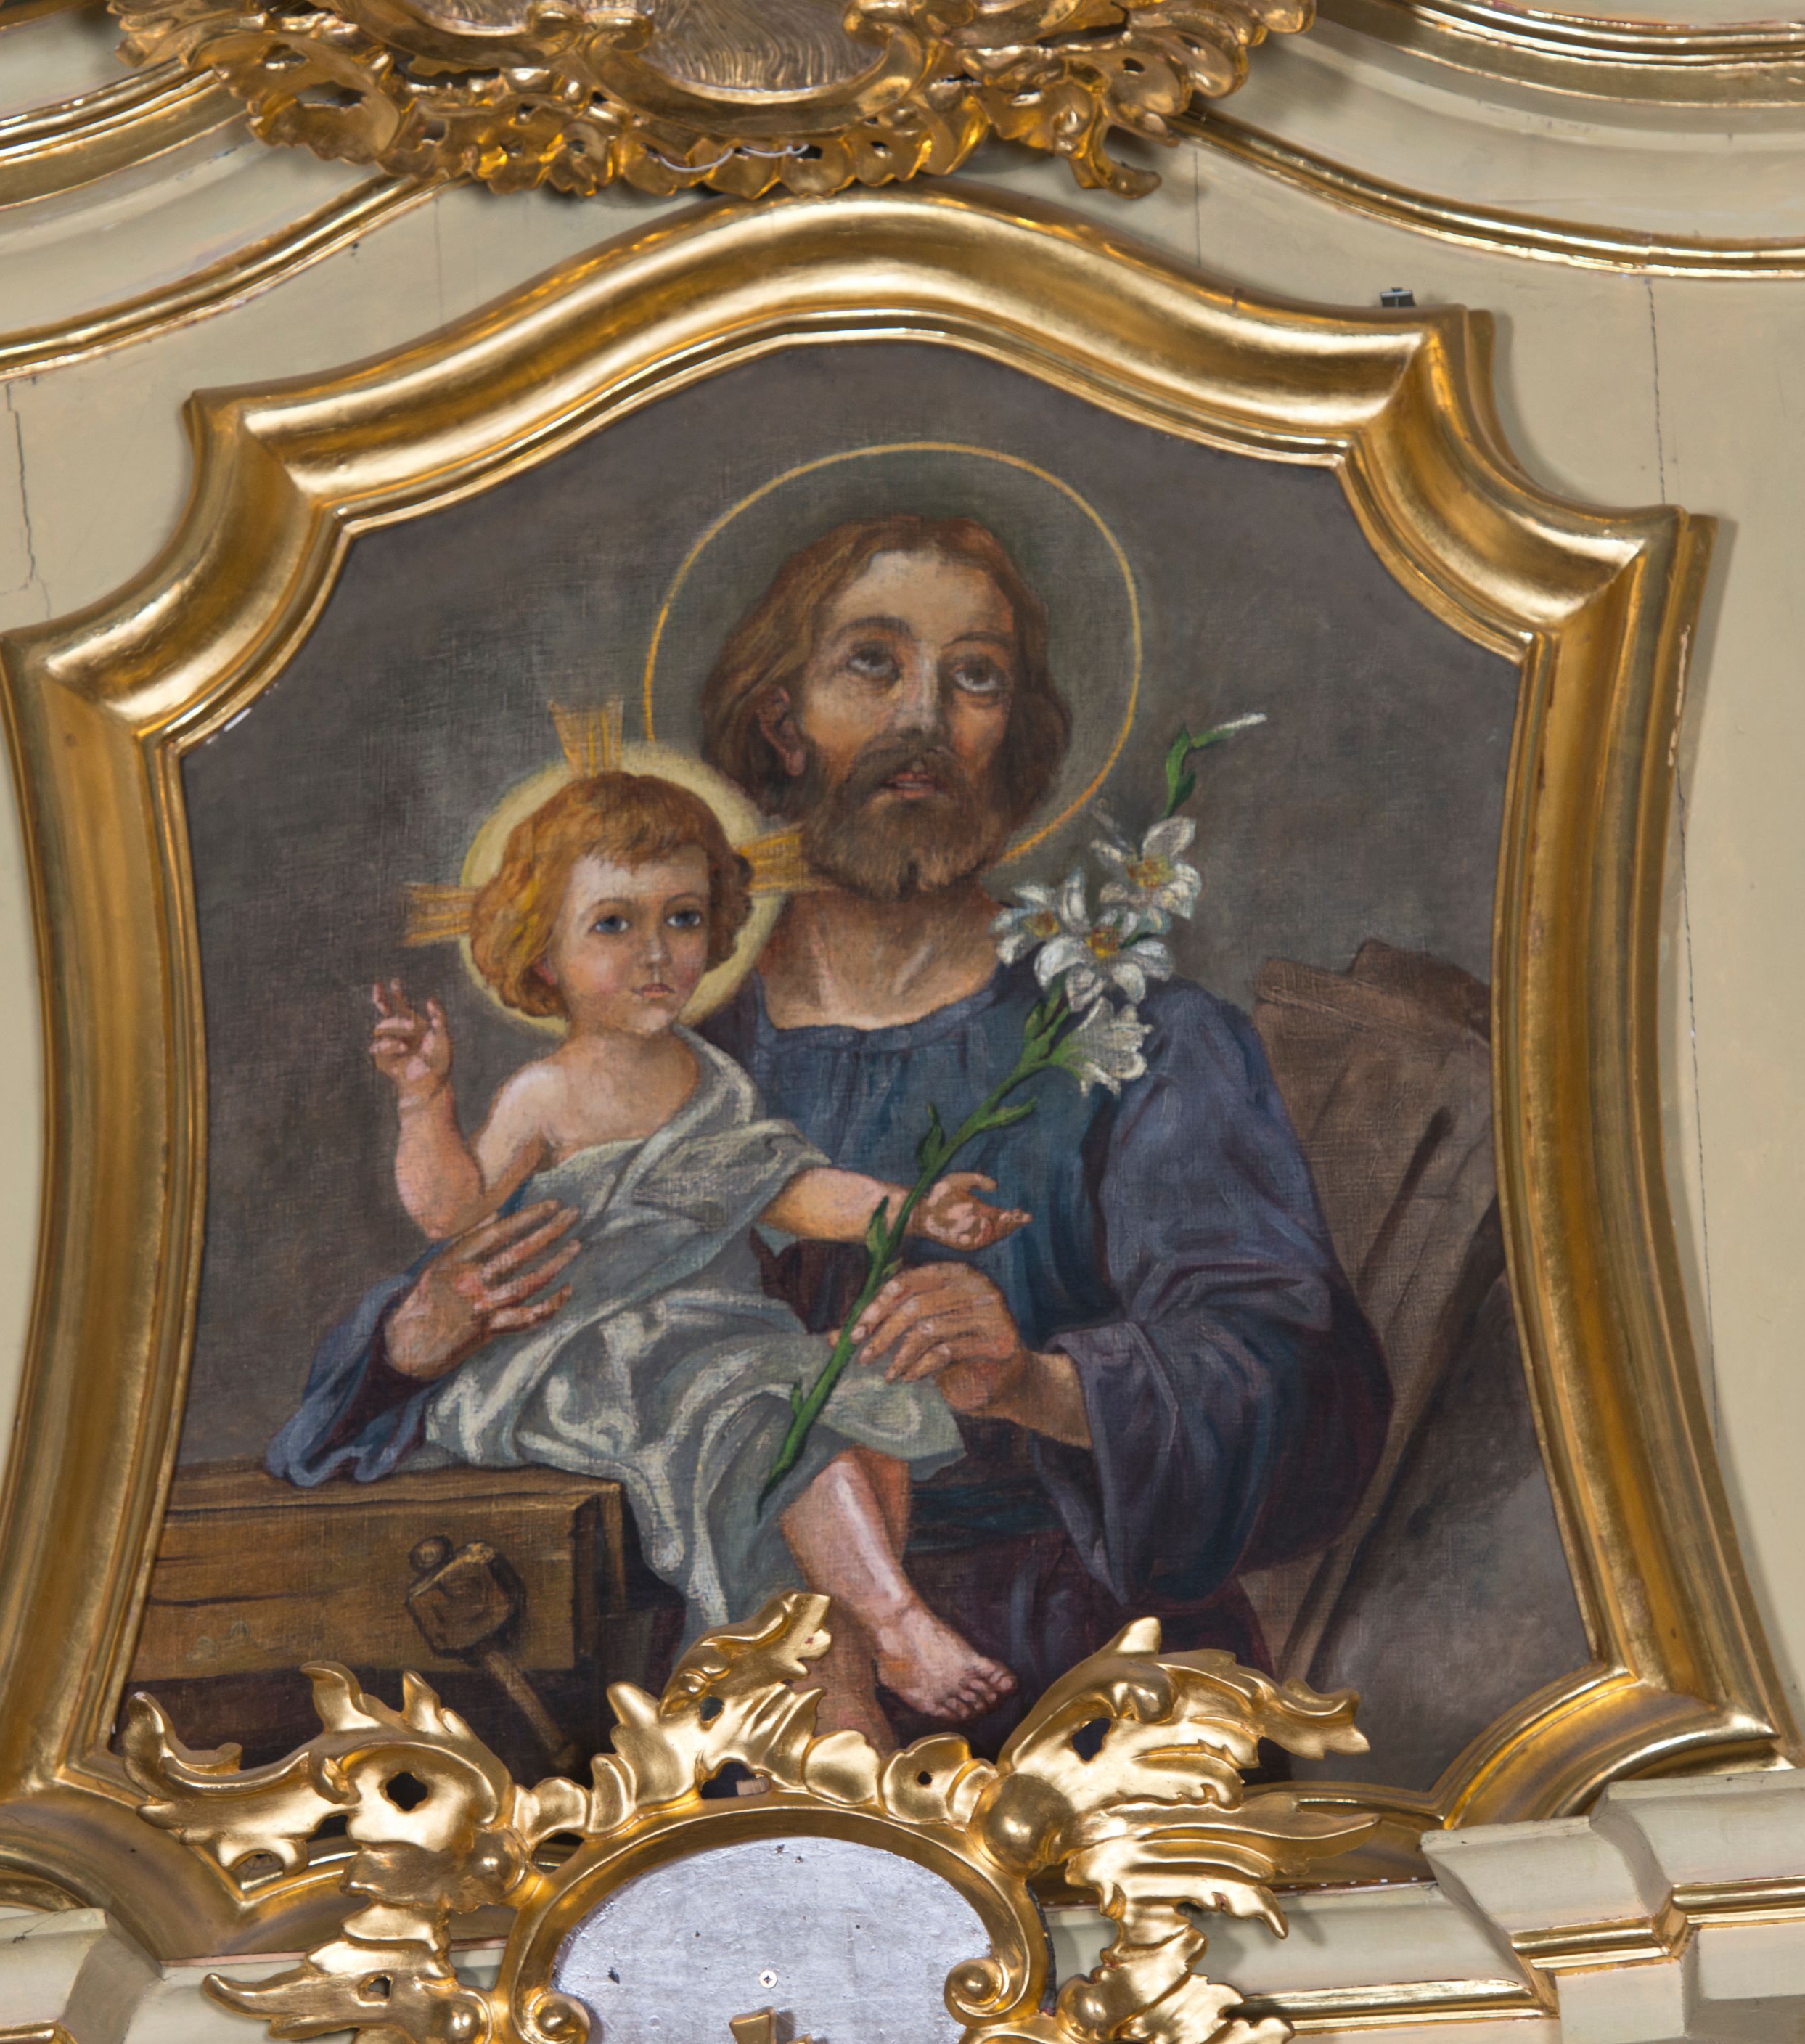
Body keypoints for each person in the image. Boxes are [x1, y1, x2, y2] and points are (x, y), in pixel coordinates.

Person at [279, 507, 1393, 1746]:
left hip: (1079, 1678)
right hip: (720, 1662)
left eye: (976, 677)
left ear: (1012, 734)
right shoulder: (659, 1068)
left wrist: (1040, 1385)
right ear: (780, 721)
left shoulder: (1139, 1045)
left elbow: (1306, 1396)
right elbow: (380, 1390)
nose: (926, 717)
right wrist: (423, 1333)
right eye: (873, 663)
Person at [277, 769, 1023, 1741]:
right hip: (594, 1356)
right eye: (613, 925)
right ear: (542, 953)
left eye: (682, 918)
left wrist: (916, 1211)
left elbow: (794, 1192)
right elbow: (452, 1211)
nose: (656, 952)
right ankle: (893, 1625)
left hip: (722, 1338)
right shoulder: (546, 1095)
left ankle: (829, 1676)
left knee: (856, 1398)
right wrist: (424, 1103)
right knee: (764, 1409)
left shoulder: (713, 1081)